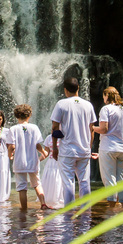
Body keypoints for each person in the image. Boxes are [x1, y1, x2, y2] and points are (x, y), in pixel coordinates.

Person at [49, 75, 97, 206]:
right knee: (84, 181)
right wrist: (89, 146)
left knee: (68, 182)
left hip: (67, 151)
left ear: (65, 90)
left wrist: (54, 147)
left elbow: (55, 127)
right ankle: (85, 213)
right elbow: (91, 129)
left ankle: (68, 214)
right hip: (84, 150)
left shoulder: (61, 104)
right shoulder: (88, 105)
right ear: (78, 88)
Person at [92, 86, 123, 207]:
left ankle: (112, 208)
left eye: (104, 96)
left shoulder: (106, 109)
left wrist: (92, 128)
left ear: (107, 96)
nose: (103, 99)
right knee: (122, 178)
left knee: (109, 178)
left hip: (108, 147)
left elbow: (104, 129)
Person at [5, 104, 49, 209]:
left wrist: (9, 155)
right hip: (32, 161)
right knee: (37, 183)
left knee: (22, 188)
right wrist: (43, 152)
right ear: (29, 115)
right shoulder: (34, 128)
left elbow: (11, 146)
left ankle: (24, 210)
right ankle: (43, 204)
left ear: (16, 116)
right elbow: (37, 145)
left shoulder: (13, 129)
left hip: (20, 161)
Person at [39, 132, 65, 209]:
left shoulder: (65, 136)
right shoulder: (49, 137)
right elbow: (46, 152)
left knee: (59, 180)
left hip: (62, 162)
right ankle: (48, 201)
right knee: (51, 180)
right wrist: (38, 160)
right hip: (51, 163)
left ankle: (59, 200)